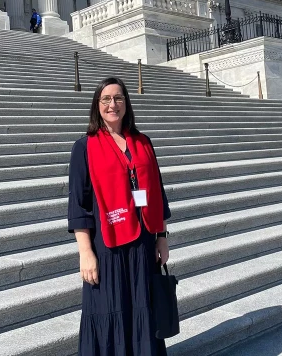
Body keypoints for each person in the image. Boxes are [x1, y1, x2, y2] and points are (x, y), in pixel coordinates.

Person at [68, 77, 171, 356]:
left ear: (126, 103)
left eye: (118, 98)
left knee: (143, 308)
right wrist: (85, 253)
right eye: (106, 99)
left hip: (143, 242)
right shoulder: (84, 147)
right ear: (97, 105)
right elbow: (79, 206)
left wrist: (161, 238)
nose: (112, 104)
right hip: (107, 244)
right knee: (108, 309)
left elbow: (157, 193)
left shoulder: (143, 143)